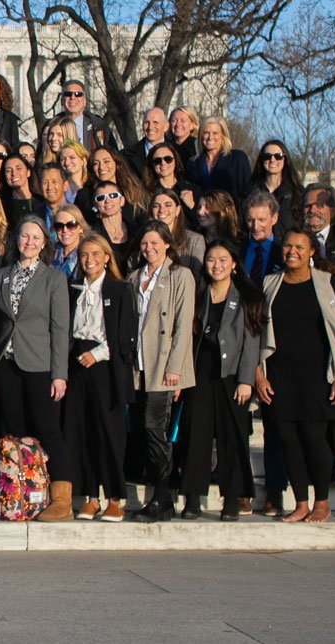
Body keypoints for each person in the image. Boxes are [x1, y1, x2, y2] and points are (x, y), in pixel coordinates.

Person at [255, 229, 335, 523]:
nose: (292, 251)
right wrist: (259, 376)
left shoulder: (328, 283)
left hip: (317, 375)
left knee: (314, 438)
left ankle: (321, 502)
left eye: (300, 246)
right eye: (287, 245)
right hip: (280, 375)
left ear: (312, 251)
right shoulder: (269, 284)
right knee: (288, 439)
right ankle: (300, 503)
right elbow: (256, 333)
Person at [0, 219, 73, 522]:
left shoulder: (54, 279)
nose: (30, 242)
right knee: (16, 433)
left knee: (48, 430)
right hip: (6, 364)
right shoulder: (1, 277)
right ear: (17, 239)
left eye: (36, 237)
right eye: (25, 235)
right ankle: (20, 494)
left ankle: (62, 501)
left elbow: (60, 329)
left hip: (40, 364)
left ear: (43, 243)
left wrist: (59, 373)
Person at [180, 241, 263, 521]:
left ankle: (232, 498)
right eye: (211, 259)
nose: (217, 265)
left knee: (232, 437)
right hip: (200, 372)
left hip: (231, 375)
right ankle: (192, 498)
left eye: (223, 259)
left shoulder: (246, 297)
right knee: (196, 434)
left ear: (234, 264)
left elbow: (252, 342)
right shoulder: (198, 293)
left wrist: (246, 380)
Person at [129, 224, 196, 522]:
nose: (149, 248)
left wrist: (175, 369)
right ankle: (161, 495)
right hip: (139, 365)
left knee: (155, 427)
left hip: (163, 365)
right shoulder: (135, 277)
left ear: (167, 244)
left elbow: (183, 326)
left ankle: (163, 496)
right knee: (145, 429)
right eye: (144, 243)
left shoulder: (180, 275)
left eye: (154, 242)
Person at [185, 118, 251, 202]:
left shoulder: (237, 158)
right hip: (201, 213)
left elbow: (248, 193)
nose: (210, 137)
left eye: (215, 133)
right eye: (206, 133)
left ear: (223, 136)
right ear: (201, 136)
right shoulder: (193, 163)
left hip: (231, 213)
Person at [252, 140, 306, 232]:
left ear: (285, 159)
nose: (272, 160)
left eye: (278, 156)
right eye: (267, 156)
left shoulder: (298, 193)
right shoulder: (251, 192)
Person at [55, 79, 113, 151]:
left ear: (85, 102)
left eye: (78, 94)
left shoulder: (99, 127)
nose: (73, 97)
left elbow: (114, 156)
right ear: (62, 101)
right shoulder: (52, 127)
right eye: (68, 94)